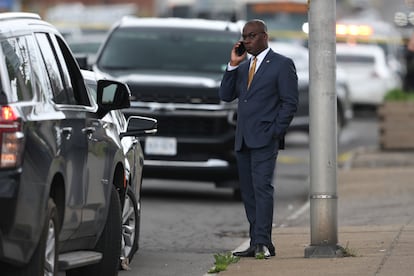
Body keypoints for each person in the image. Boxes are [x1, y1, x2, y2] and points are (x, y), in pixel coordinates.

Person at [219, 19, 299, 259]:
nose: (247, 40)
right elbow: (225, 95)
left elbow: (290, 103)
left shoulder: (282, 65)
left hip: (265, 138)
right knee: (249, 192)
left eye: (252, 36)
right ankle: (257, 242)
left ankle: (263, 242)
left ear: (265, 36)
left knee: (262, 188)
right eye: (244, 36)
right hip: (243, 139)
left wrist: (276, 131)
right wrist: (233, 64)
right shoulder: (243, 67)